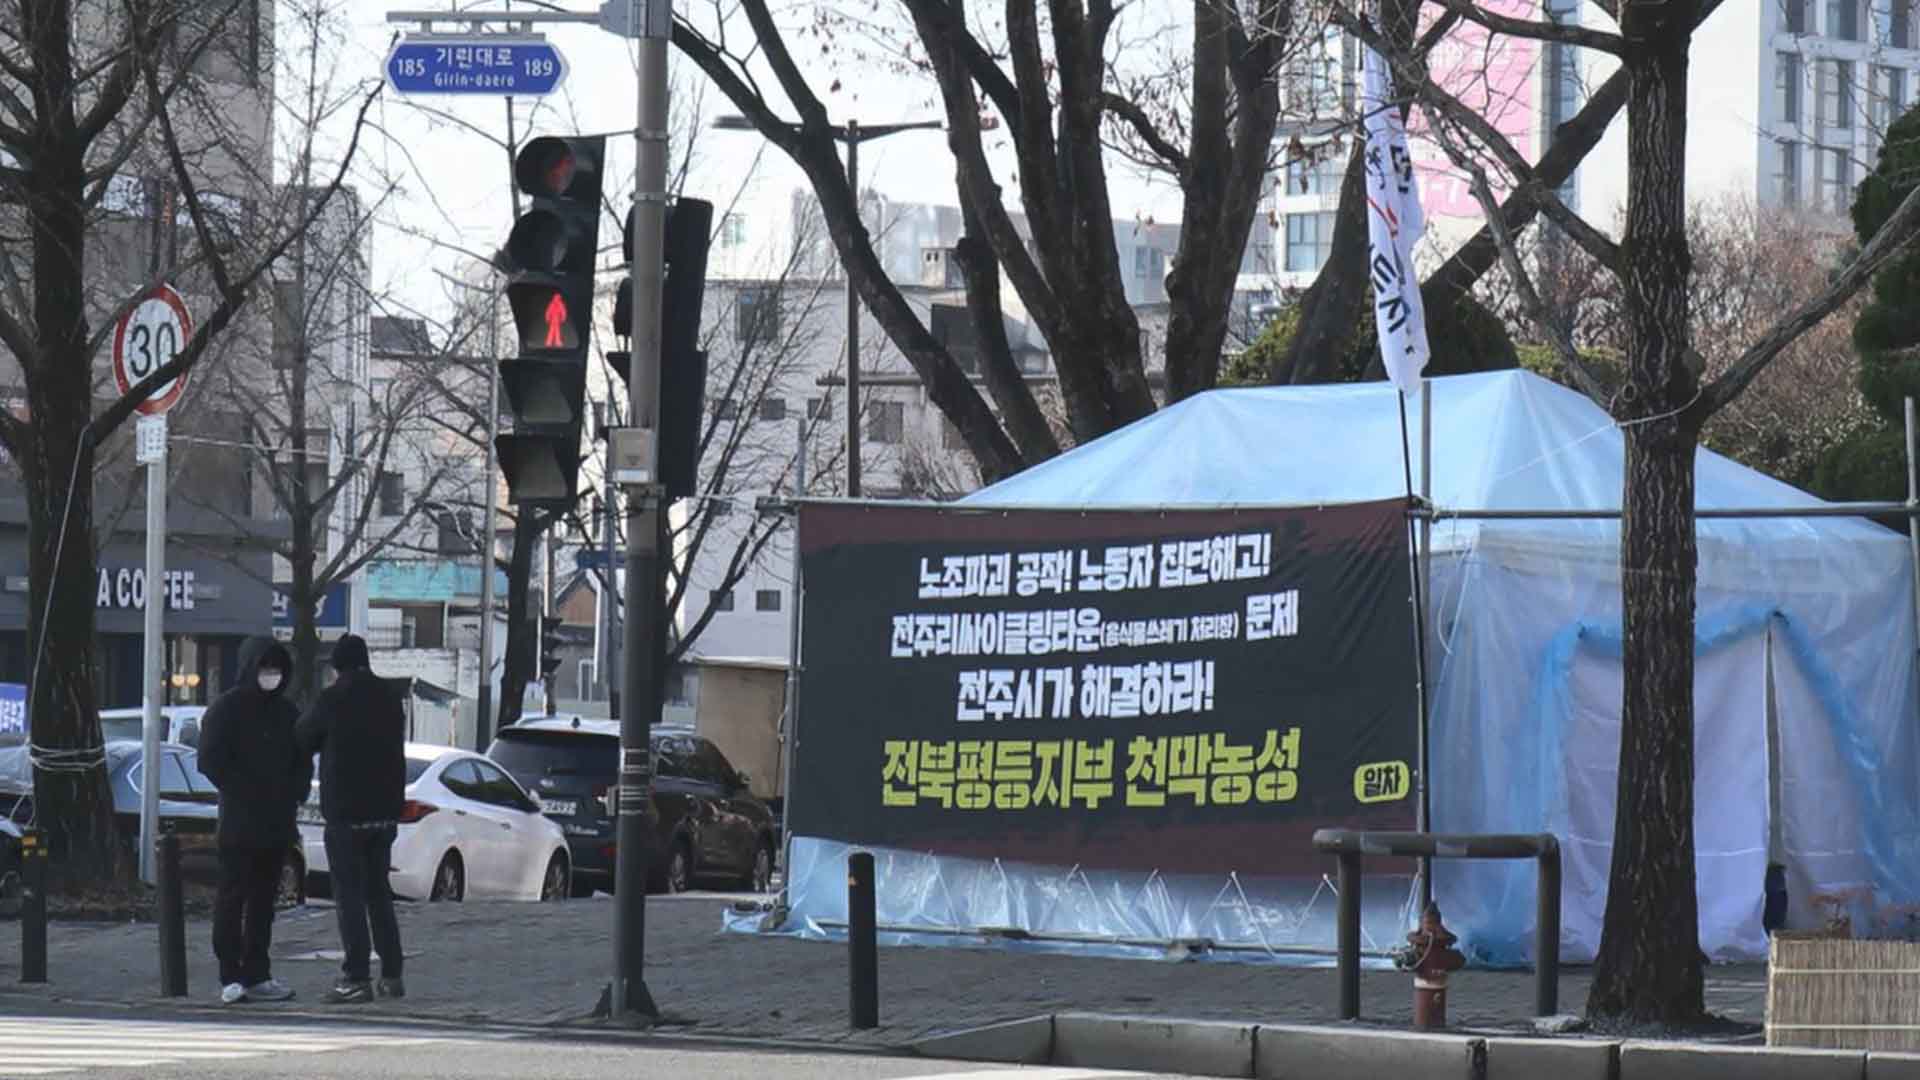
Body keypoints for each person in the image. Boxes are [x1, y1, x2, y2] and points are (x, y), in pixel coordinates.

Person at [196, 635, 310, 1005]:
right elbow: (209, 760)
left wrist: (294, 792)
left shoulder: (287, 713)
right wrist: (244, 790)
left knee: (263, 902)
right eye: (265, 668)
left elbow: (302, 760)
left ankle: (258, 972)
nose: (271, 675)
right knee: (233, 898)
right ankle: (230, 972)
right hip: (240, 824)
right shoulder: (226, 710)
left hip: (276, 824)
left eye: (277, 669)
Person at [297, 633, 407, 1004]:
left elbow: (303, 737)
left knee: (349, 897)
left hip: (346, 814)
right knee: (379, 895)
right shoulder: (390, 697)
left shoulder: (333, 699)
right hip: (384, 814)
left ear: (337, 666)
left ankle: (357, 976)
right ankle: (392, 974)